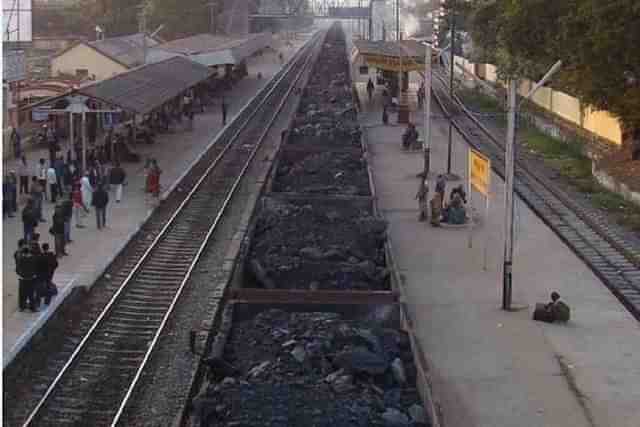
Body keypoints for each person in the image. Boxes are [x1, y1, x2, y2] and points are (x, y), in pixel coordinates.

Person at [16, 245, 38, 312]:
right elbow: (36, 268)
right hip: (31, 278)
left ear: (23, 253)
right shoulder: (33, 258)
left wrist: (21, 274)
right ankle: (33, 308)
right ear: (29, 252)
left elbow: (17, 269)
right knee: (31, 294)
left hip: (23, 279)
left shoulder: (21, 259)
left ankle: (22, 307)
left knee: (22, 294)